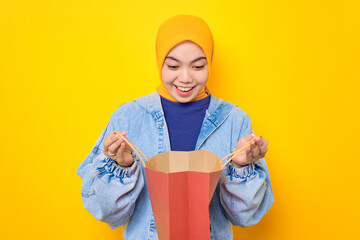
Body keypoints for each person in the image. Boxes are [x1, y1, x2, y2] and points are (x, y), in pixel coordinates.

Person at [76, 15, 274, 240]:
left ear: (210, 62)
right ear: (159, 61)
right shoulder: (128, 117)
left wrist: (241, 167)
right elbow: (107, 213)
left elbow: (245, 217)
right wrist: (121, 166)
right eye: (173, 65)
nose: (186, 78)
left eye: (198, 66)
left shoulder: (234, 120)